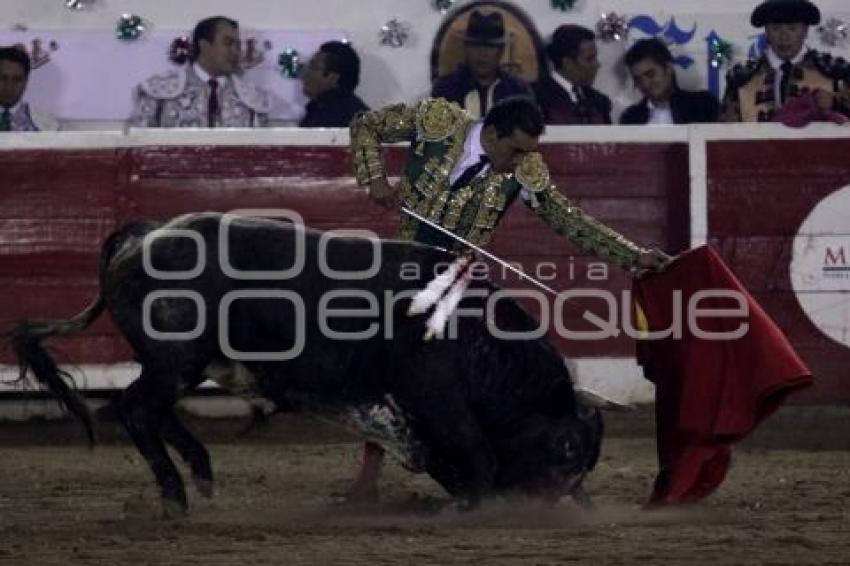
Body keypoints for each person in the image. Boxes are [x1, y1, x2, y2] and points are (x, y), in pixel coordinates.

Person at [346, 95, 670, 500]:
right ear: (492, 133)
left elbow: (568, 219)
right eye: (515, 150)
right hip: (403, 271)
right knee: (388, 371)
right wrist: (375, 178)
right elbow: (366, 124)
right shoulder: (438, 123)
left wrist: (632, 256)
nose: (520, 161)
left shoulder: (526, 168)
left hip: (457, 280)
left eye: (527, 152)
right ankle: (369, 476)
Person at [721, 0, 850, 122]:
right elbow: (725, 130)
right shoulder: (742, 77)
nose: (784, 37)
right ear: (766, 32)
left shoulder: (834, 70)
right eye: (776, 29)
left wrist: (835, 103)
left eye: (792, 28)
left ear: (805, 31)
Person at [129, 16, 271, 127]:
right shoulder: (159, 90)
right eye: (228, 43)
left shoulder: (253, 97)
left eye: (237, 45)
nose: (235, 51)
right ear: (204, 45)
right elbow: (138, 145)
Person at [431, 10, 532, 118]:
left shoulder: (518, 92)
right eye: (476, 45)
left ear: (501, 51)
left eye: (490, 46)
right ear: (466, 48)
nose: (483, 53)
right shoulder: (445, 91)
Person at [620, 38, 720, 125]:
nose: (645, 84)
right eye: (638, 79)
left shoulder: (702, 105)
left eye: (650, 75)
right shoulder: (630, 118)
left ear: (668, 68)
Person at [534, 25, 612, 125]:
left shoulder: (600, 101)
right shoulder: (537, 97)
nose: (597, 65)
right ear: (567, 63)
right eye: (590, 59)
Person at [299, 41, 369, 127]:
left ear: (333, 78)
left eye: (313, 67)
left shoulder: (354, 118)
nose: (305, 73)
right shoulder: (315, 109)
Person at [0, 46, 58, 131]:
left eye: (17, 79)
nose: (9, 87)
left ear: (26, 81)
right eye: (2, 78)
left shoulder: (45, 123)